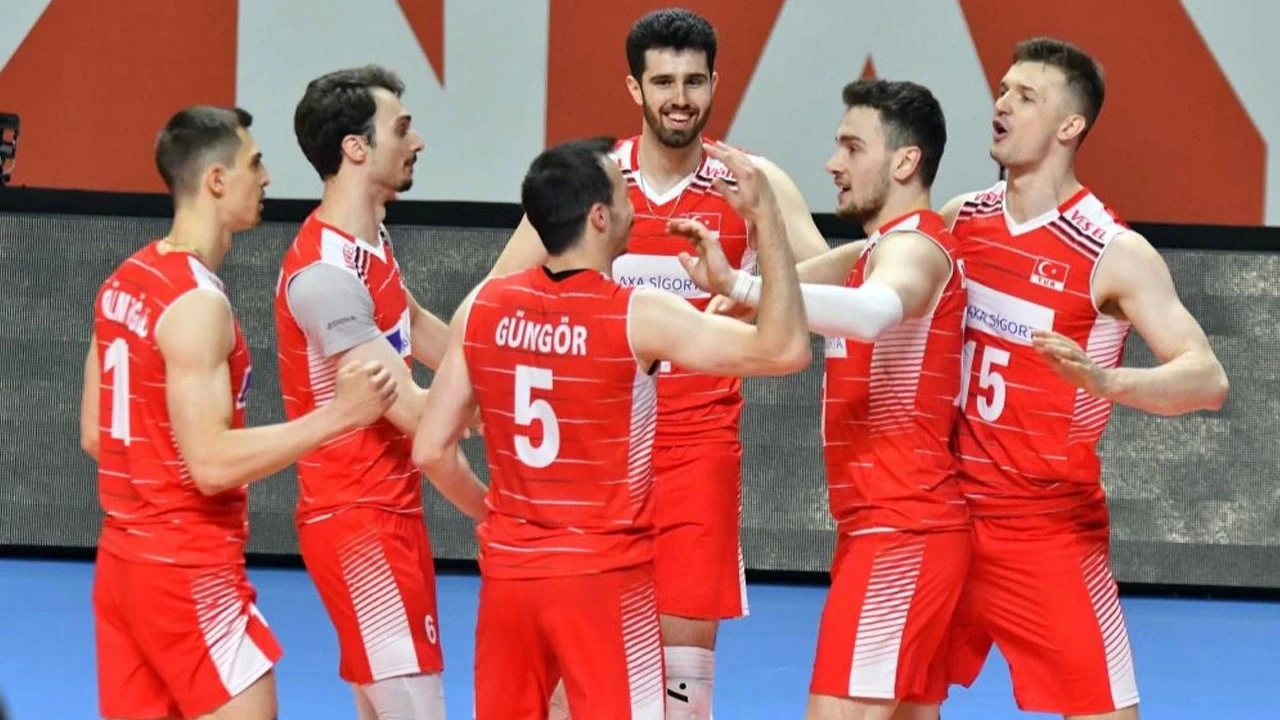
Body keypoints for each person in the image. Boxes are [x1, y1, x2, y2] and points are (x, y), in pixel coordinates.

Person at [488, 10, 829, 717]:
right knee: (575, 674)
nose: (680, 98)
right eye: (664, 82)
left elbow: (828, 280)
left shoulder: (753, 181)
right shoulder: (594, 184)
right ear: (634, 88)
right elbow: (496, 297)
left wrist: (752, 286)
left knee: (681, 679)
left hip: (695, 452)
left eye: (694, 81)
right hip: (594, 460)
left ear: (715, 84)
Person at [412, 137, 809, 720]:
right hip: (603, 578)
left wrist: (493, 514)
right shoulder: (635, 314)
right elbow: (786, 348)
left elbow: (430, 449)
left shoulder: (481, 308)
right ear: (600, 217)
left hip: (509, 577)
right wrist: (762, 227)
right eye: (624, 196)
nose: (633, 207)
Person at [929, 37, 1229, 719]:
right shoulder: (960, 219)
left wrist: (1106, 382)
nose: (1002, 105)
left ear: (1070, 126)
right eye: (1002, 91)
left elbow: (1206, 377)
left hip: (1045, 533)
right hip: (944, 516)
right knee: (894, 703)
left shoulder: (1112, 252)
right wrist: (758, 287)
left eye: (1025, 96)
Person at [80, 106, 396, 720]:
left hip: (122, 565)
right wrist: (340, 415)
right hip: (187, 568)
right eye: (255, 163)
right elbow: (212, 465)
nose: (267, 177)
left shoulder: (124, 280)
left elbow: (96, 434)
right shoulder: (196, 302)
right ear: (217, 180)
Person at [689, 79, 969, 720]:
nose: (833, 163)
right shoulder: (873, 251)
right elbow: (791, 288)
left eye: (852, 147)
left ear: (905, 161)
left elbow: (869, 314)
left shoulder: (915, 248)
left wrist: (743, 284)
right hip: (893, 529)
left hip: (902, 533)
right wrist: (751, 260)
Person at [275, 65, 484, 719]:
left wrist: (497, 381)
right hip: (357, 522)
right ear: (355, 148)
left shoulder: (369, 242)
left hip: (390, 511)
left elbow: (416, 326)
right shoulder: (325, 276)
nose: (417, 142)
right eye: (402, 129)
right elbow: (417, 413)